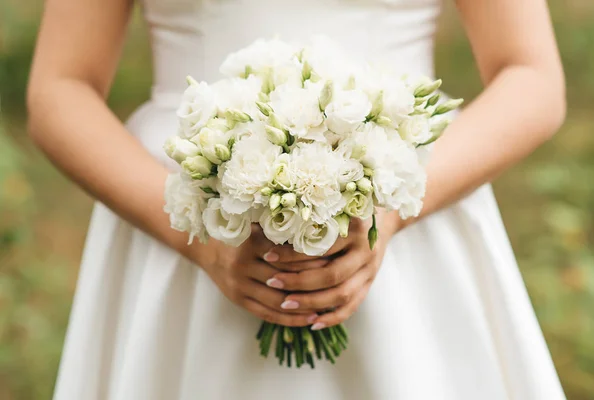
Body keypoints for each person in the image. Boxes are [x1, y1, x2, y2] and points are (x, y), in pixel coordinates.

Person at [27, 0, 566, 399]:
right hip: (185, 214)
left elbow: (532, 75)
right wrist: (195, 237)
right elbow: (60, 86)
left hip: (417, 217)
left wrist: (393, 207)